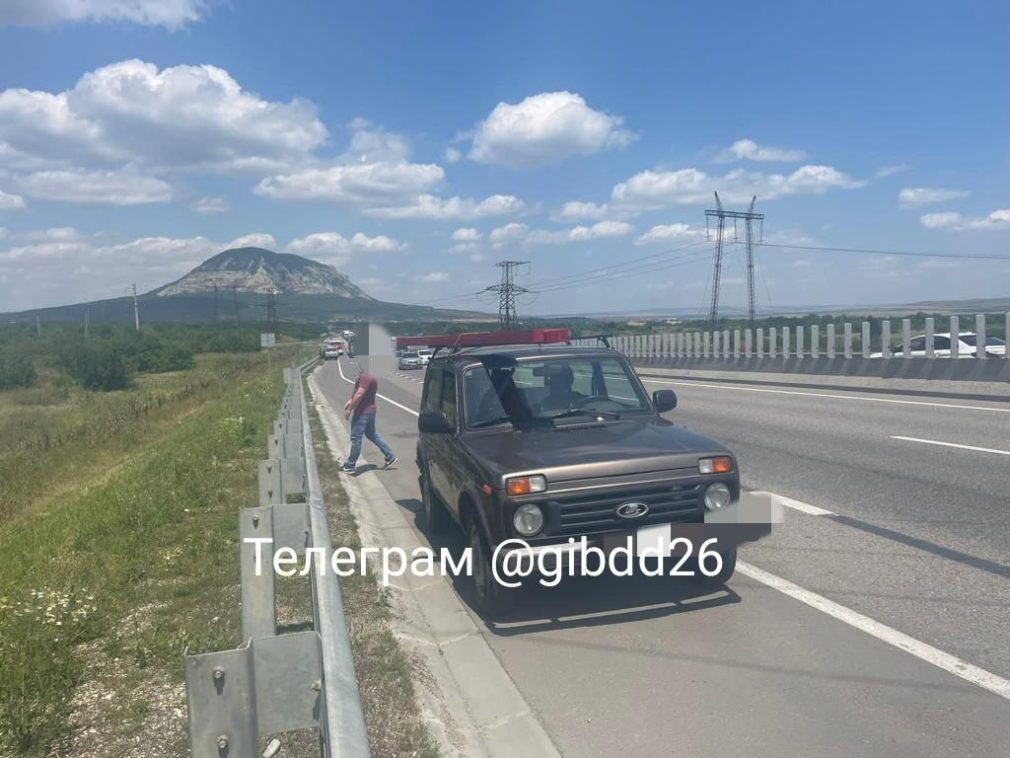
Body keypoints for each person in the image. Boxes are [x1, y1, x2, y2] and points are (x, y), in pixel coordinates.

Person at [341, 370, 397, 472]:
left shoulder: (366, 375)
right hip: (370, 411)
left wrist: (350, 408)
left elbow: (360, 393)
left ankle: (350, 465)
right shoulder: (370, 374)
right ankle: (389, 455)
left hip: (362, 412)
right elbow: (364, 393)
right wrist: (351, 401)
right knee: (372, 434)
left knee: (356, 438)